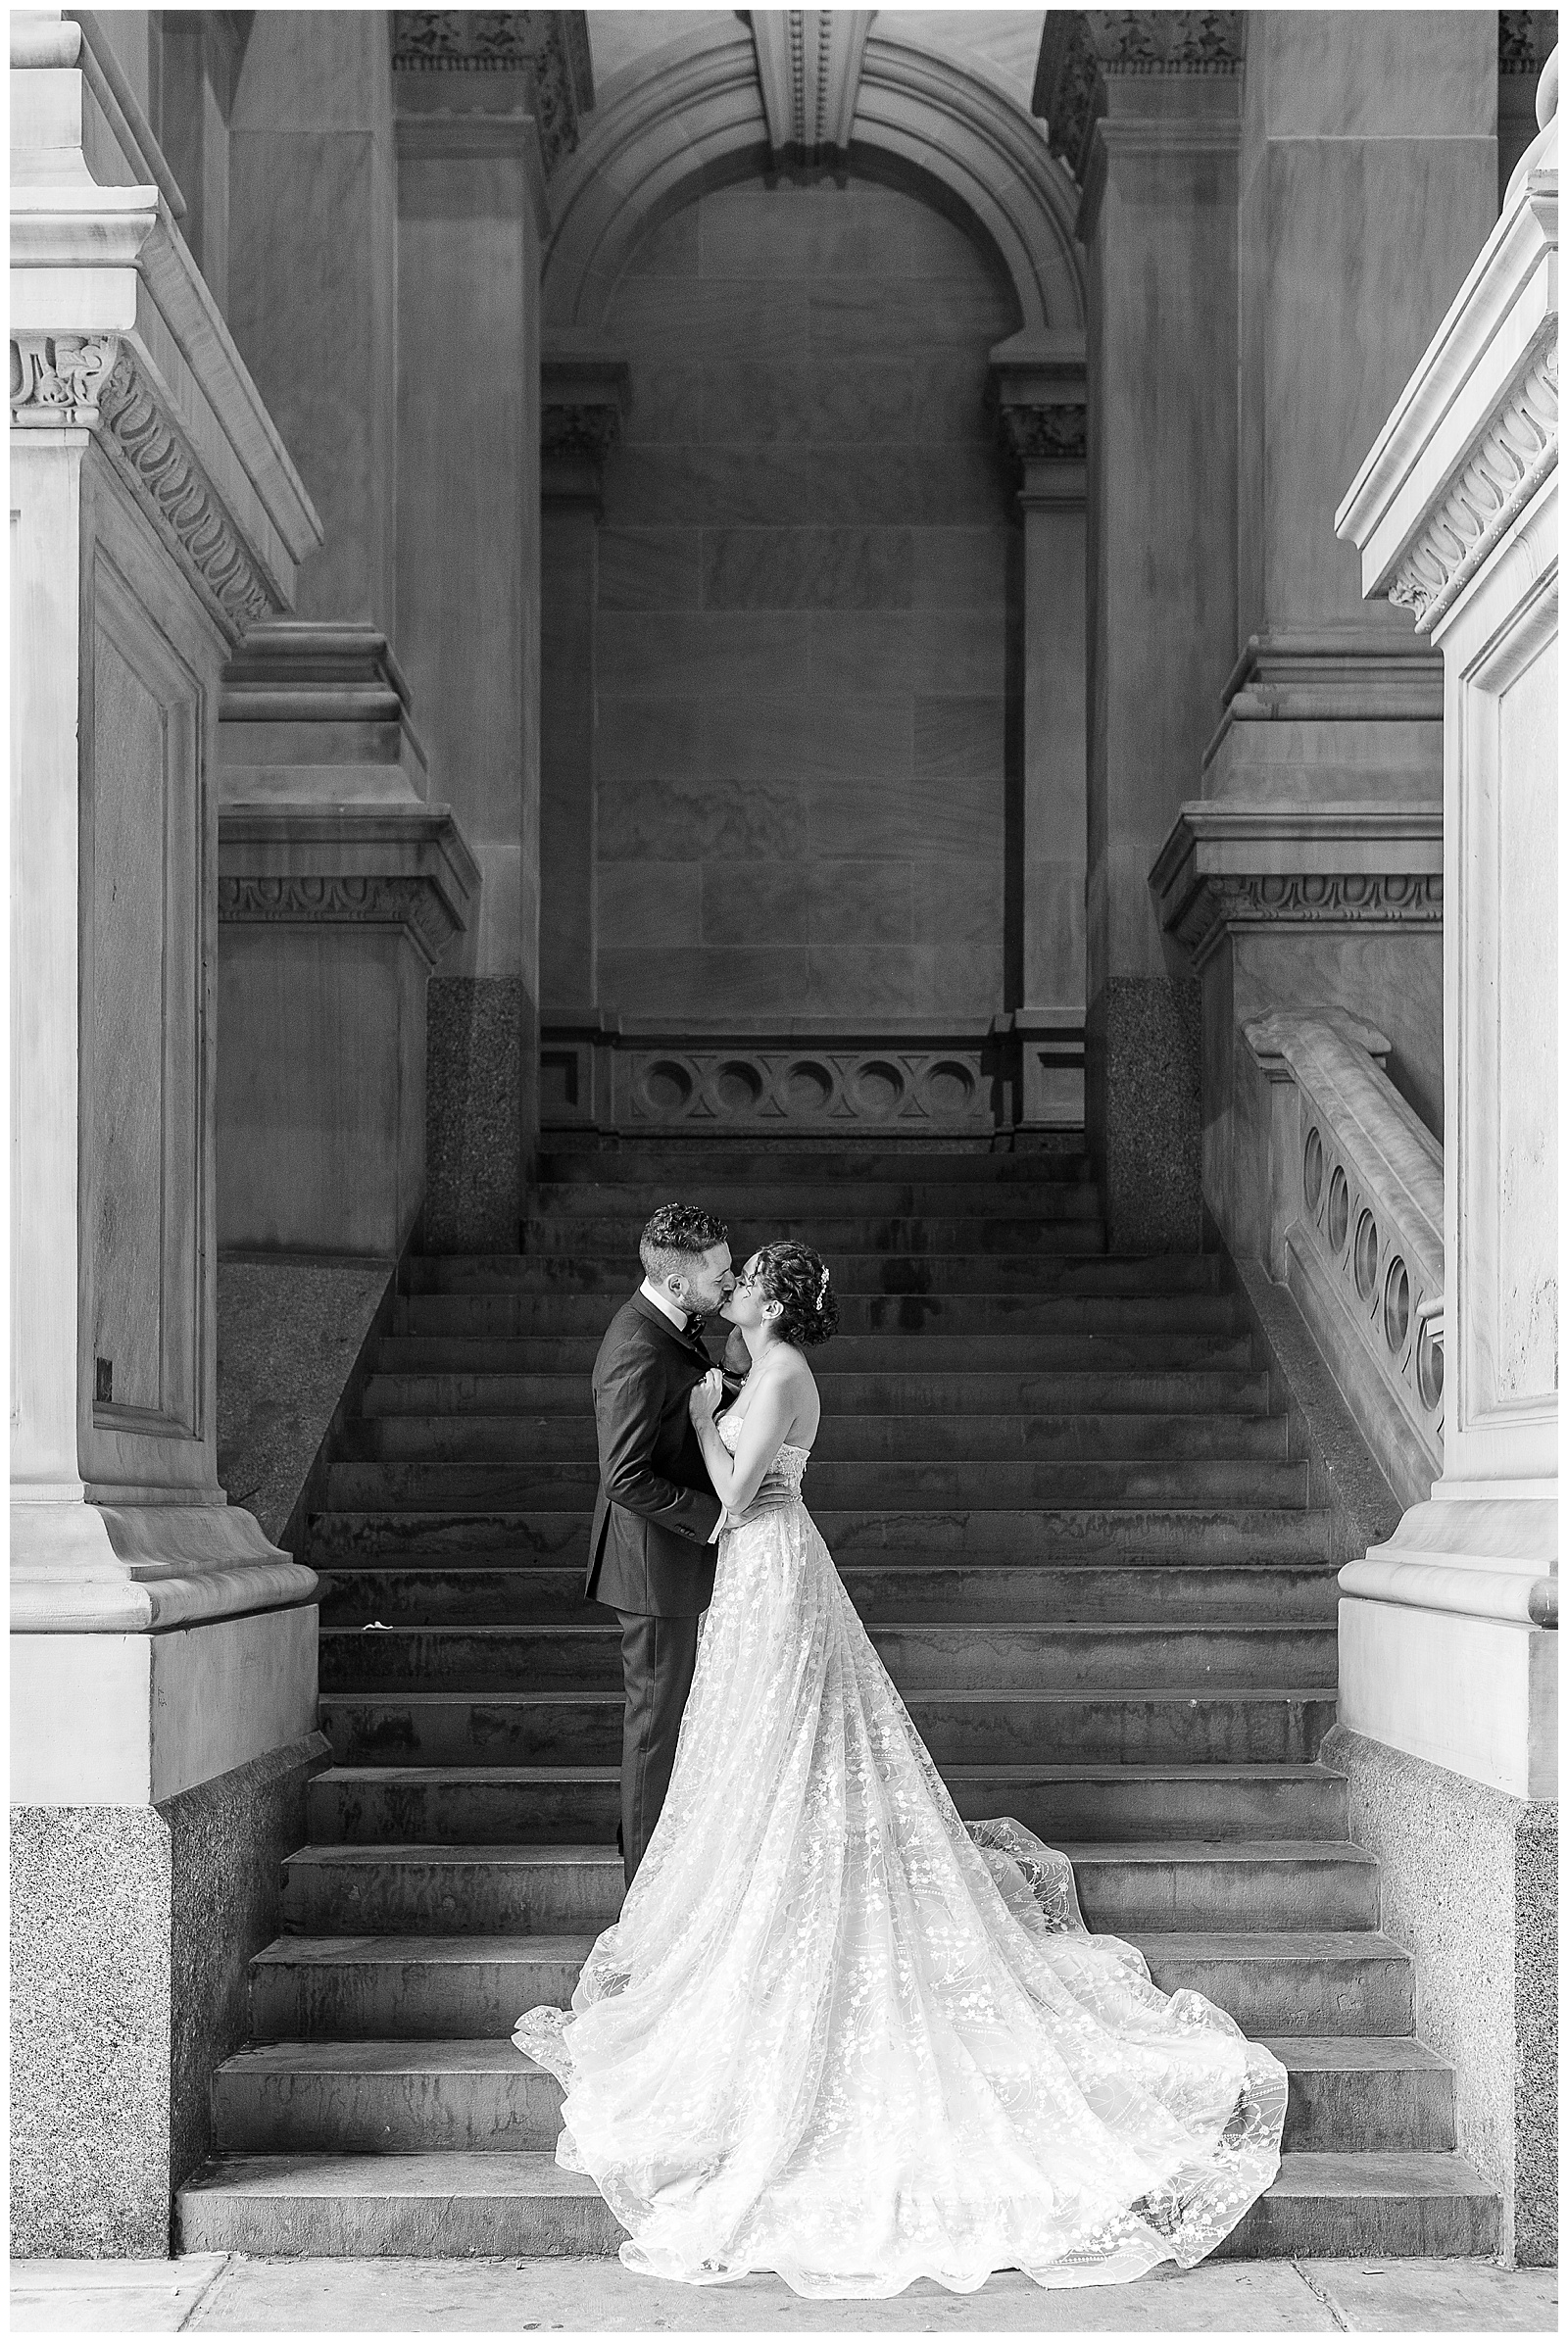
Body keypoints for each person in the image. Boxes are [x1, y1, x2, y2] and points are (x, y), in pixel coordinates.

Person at [519, 1240, 1288, 2297]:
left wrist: (701, 1419)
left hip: (773, 1564)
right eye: (729, 1272)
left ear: (775, 1303)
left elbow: (739, 1493)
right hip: (757, 1576)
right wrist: (712, 1411)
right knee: (752, 1741)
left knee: (789, 1732)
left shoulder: (779, 1373)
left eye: (745, 1277)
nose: (732, 1285)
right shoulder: (762, 1367)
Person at [584, 1202, 789, 1885]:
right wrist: (716, 1516)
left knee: (672, 1725)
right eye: (722, 1274)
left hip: (669, 1562)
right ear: (677, 1284)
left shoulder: (673, 1326)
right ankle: (643, 1894)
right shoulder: (636, 1346)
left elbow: (678, 1411)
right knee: (655, 1731)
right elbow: (624, 1476)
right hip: (652, 1567)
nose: (731, 1284)